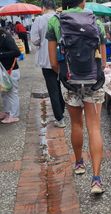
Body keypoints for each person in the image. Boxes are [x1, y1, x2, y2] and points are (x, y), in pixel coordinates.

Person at [47, 0, 107, 194]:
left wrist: (67, 76)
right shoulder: (95, 22)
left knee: (76, 124)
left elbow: (53, 62)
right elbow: (104, 62)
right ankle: (96, 180)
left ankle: (79, 164)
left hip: (71, 82)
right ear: (82, 2)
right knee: (94, 127)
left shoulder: (55, 22)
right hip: (93, 82)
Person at [31, 0, 65, 128]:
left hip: (47, 60)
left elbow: (34, 40)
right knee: (61, 86)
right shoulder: (61, 18)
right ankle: (62, 110)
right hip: (62, 59)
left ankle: (60, 118)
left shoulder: (39, 20)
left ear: (44, 7)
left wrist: (42, 43)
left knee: (53, 89)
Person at [0, 28, 21, 123]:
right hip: (4, 71)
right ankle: (7, 112)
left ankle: (14, 115)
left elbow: (17, 52)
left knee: (12, 93)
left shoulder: (6, 37)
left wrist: (1, 54)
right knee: (4, 92)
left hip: (11, 70)